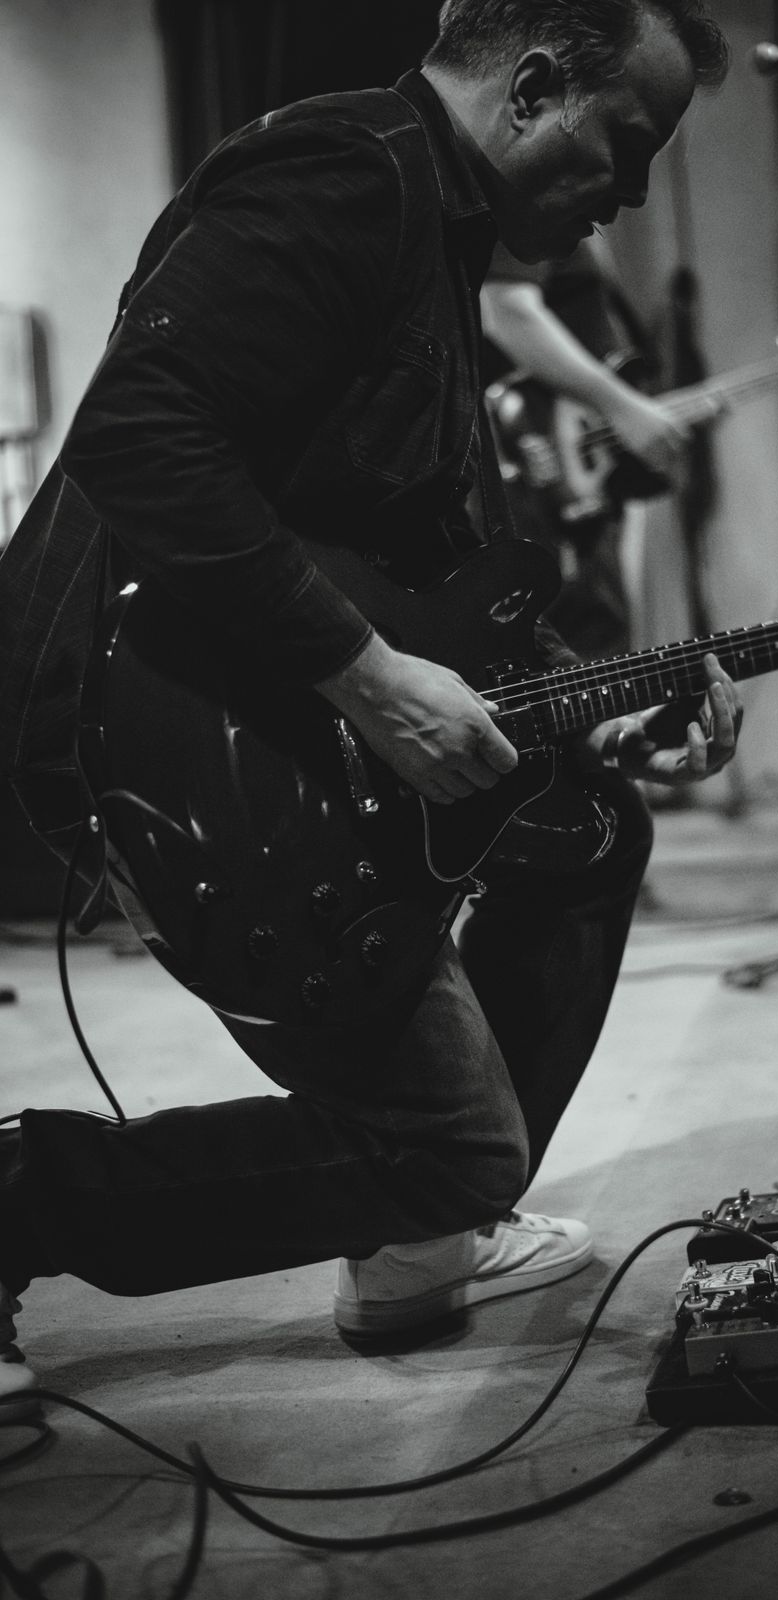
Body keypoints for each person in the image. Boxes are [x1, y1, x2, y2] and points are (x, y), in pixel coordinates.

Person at [0, 0, 735, 1420]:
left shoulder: (438, 229)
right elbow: (138, 434)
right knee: (451, 1150)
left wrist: (593, 706)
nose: (636, 191)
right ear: (532, 88)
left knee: (584, 829)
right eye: (628, 141)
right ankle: (27, 1199)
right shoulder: (351, 171)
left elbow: (426, 559)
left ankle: (425, 1227)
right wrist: (371, 678)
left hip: (251, 694)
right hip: (161, 722)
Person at [482, 235, 690, 656]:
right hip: (533, 473)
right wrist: (622, 407)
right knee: (581, 648)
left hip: (580, 488)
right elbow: (506, 310)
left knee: (599, 642)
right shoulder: (541, 209)